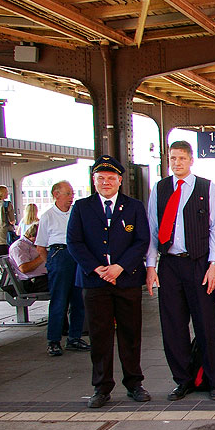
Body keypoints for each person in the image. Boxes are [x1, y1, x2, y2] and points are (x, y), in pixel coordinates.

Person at [67, 156, 151, 408]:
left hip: (126, 280)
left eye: (111, 178)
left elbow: (141, 241)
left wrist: (119, 267)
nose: (106, 182)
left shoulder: (134, 207)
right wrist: (96, 268)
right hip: (95, 282)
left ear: (120, 181)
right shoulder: (82, 207)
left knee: (130, 333)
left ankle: (134, 383)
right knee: (100, 335)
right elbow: (74, 242)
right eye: (101, 178)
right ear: (94, 182)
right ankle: (101, 387)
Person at [146, 140, 215, 401]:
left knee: (206, 323)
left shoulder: (206, 187)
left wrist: (213, 265)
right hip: (169, 263)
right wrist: (151, 266)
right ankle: (182, 379)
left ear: (191, 160)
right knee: (173, 325)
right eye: (172, 158)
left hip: (198, 263)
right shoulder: (159, 189)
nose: (177, 163)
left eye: (181, 158)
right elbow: (152, 230)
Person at [35, 181, 90, 357]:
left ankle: (74, 337)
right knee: (59, 301)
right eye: (67, 194)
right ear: (56, 195)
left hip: (76, 255)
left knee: (78, 300)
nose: (71, 197)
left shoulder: (76, 213)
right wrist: (50, 264)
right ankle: (54, 340)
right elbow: (40, 246)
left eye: (72, 194)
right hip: (59, 254)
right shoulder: (48, 216)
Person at [7, 223, 48, 293]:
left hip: (44, 277)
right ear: (34, 236)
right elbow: (24, 268)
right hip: (33, 281)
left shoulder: (34, 245)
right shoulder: (19, 246)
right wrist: (43, 255)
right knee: (64, 283)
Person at [0, 185, 16, 255]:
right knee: (7, 256)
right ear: (2, 193)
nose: (7, 193)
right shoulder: (7, 204)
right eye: (6, 192)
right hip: (5, 235)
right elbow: (12, 220)